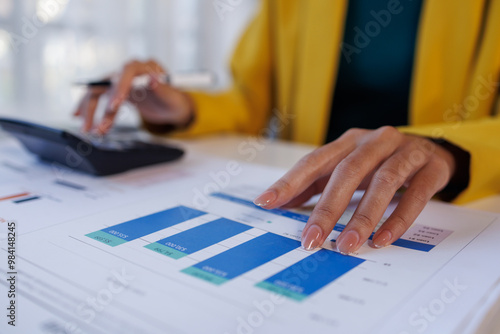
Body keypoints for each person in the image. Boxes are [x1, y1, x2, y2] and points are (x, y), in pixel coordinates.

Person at [75, 0, 500, 255]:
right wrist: (180, 106)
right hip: (313, 195)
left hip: (451, 203)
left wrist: (449, 149)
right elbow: (248, 100)